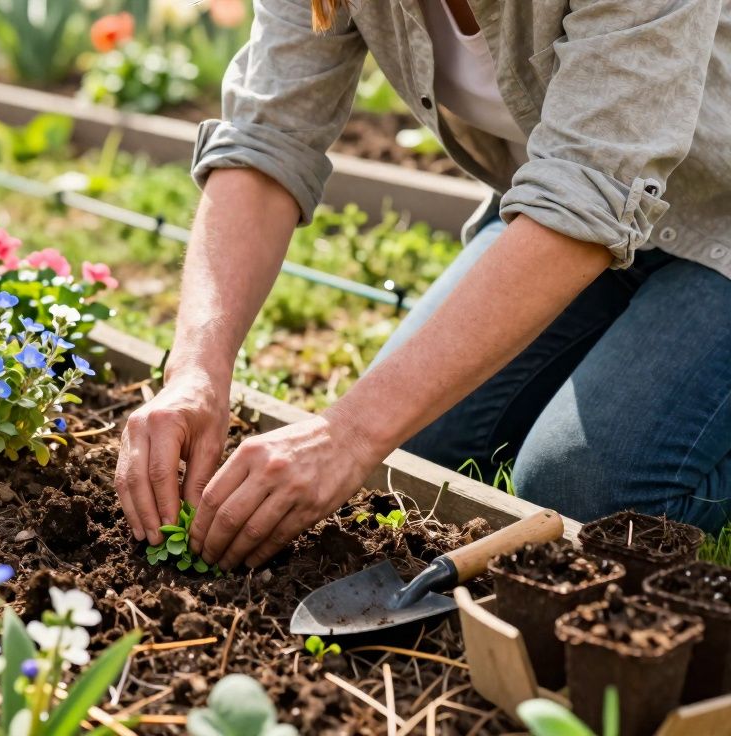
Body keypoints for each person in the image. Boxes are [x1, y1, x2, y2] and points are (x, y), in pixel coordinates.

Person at [115, 0, 731, 571]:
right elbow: (267, 136)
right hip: (559, 217)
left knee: (587, 496)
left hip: (713, 218)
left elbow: (593, 185)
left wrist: (348, 433)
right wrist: (196, 373)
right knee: (419, 455)